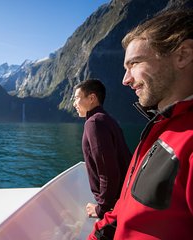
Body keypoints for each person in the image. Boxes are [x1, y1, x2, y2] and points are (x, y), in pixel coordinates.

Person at [89, 9, 193, 239]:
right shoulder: (161, 129)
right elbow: (125, 209)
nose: (125, 80)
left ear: (182, 55)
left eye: (134, 63)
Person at [72, 79, 131, 219]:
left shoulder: (94, 123)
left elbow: (108, 171)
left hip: (112, 207)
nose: (74, 104)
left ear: (92, 98)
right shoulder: (107, 119)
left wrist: (101, 209)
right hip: (123, 199)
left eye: (76, 98)